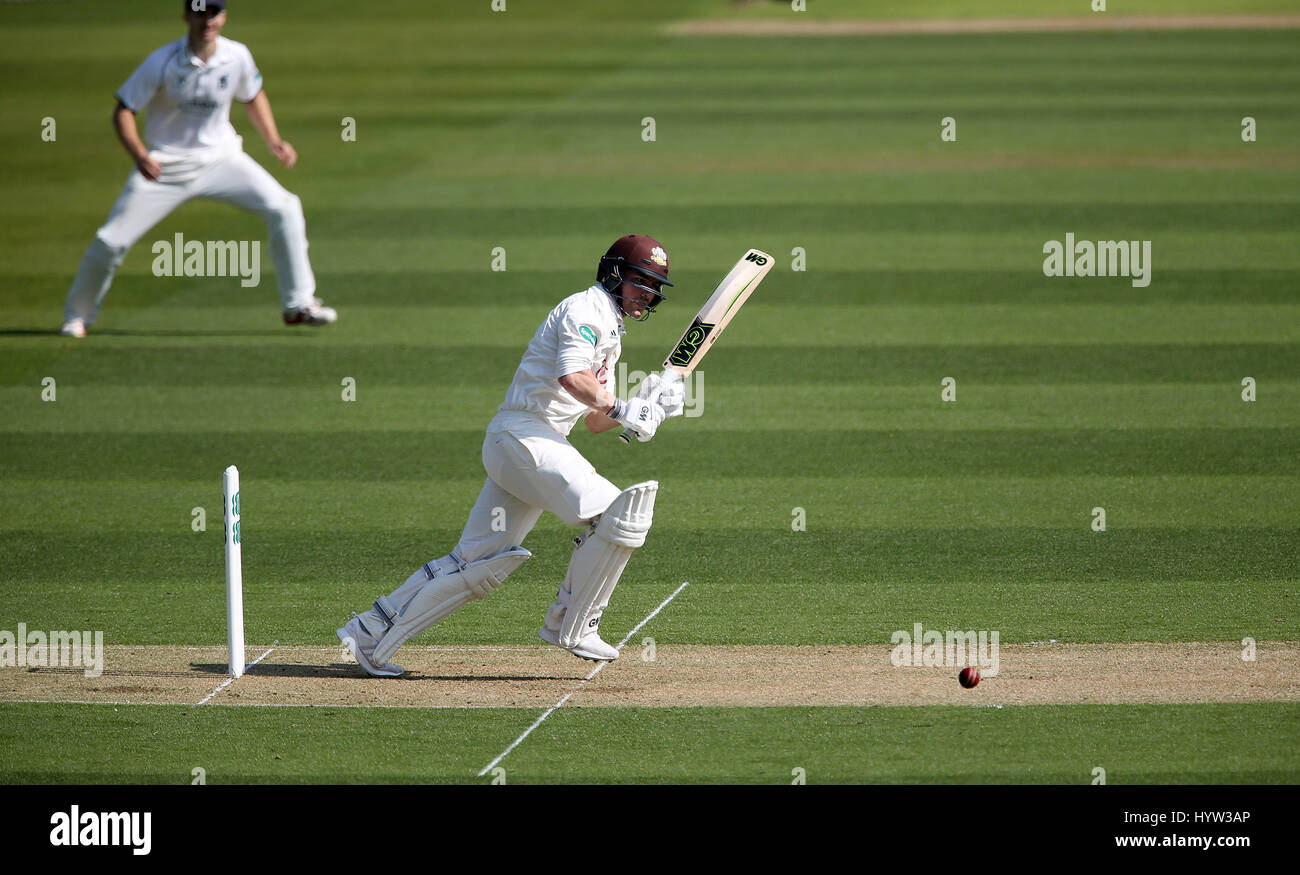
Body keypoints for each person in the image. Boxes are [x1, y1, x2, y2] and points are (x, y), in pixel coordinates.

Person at [338, 234, 686, 676]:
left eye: (655, 287)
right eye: (642, 281)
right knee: (621, 514)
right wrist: (623, 407)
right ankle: (572, 623)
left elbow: (595, 419)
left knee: (475, 566)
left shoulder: (611, 329)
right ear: (614, 273)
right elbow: (571, 379)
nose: (648, 294)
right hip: (526, 437)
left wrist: (649, 403)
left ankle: (366, 635)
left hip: (526, 444)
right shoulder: (586, 310)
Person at [59, 0, 335, 338]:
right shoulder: (161, 62)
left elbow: (253, 94)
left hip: (222, 160)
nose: (208, 20)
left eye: (214, 13)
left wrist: (274, 140)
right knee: (110, 241)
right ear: (187, 16)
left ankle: (298, 305)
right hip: (164, 166)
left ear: (224, 16)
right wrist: (140, 155)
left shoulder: (237, 56)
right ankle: (77, 316)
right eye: (200, 12)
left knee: (285, 207)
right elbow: (124, 110)